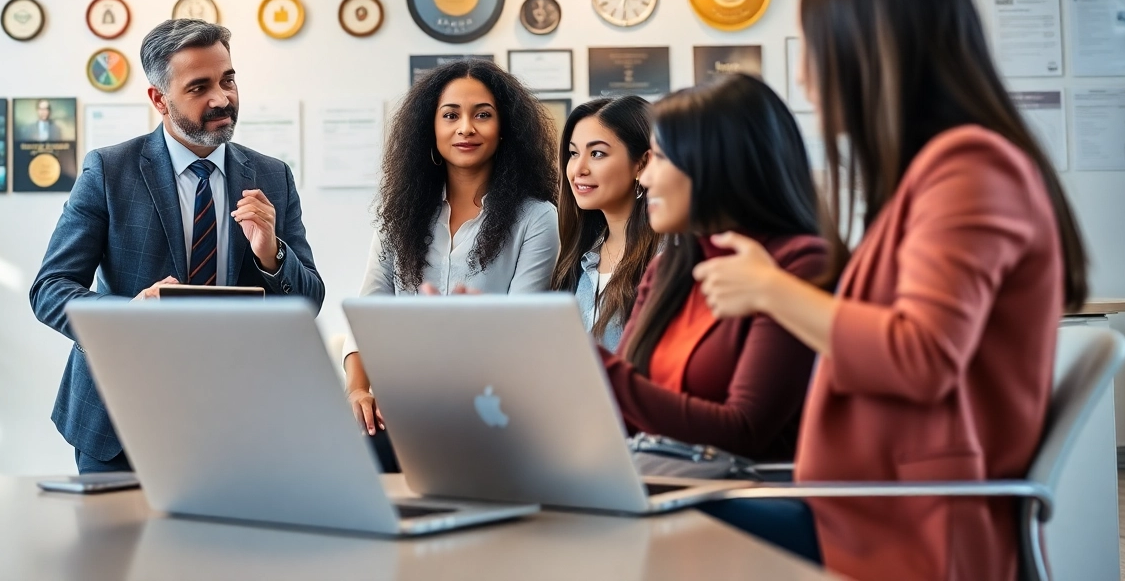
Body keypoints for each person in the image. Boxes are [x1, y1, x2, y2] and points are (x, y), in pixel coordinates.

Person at [692, 0, 1088, 579]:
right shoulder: (934, 174)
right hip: (865, 508)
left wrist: (771, 290)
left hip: (909, 528)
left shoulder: (970, 167)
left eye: (815, 48)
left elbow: (921, 356)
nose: (802, 73)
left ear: (872, 50)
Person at [29, 19, 325, 474]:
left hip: (242, 421)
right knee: (116, 546)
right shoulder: (109, 171)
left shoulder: (272, 177)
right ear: (158, 99)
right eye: (199, 87)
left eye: (228, 80)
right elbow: (50, 289)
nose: (222, 99)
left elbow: (309, 301)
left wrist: (272, 255)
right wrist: (130, 315)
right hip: (121, 418)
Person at [597, 75, 827, 464]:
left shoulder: (798, 265)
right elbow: (627, 413)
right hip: (664, 484)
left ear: (718, 164)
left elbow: (744, 431)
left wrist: (597, 367)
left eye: (662, 158)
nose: (646, 177)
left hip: (750, 500)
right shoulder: (668, 269)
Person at [343, 58, 560, 439]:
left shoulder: (537, 218)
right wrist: (357, 390)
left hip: (490, 409)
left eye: (483, 115)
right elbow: (367, 311)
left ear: (505, 127)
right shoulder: (401, 215)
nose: (466, 128)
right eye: (450, 115)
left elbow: (523, 332)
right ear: (431, 127)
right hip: (401, 406)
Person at [551, 96, 657, 351]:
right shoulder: (580, 255)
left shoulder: (669, 254)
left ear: (642, 163)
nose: (578, 169)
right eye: (574, 153)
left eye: (597, 153)